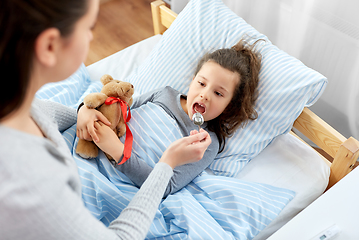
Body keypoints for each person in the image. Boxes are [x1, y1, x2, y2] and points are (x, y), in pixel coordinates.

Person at [0, 0, 211, 239]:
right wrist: (166, 165)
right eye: (89, 27)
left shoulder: (24, 109)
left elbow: (46, 117)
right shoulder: (34, 188)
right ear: (49, 46)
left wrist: (83, 111)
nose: (91, 38)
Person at [77, 39, 262, 197]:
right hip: (87, 149)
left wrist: (118, 152)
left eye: (218, 93)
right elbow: (117, 107)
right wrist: (83, 111)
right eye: (201, 83)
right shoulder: (164, 94)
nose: (205, 95)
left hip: (118, 182)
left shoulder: (207, 143)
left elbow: (167, 186)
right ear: (192, 81)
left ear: (229, 106)